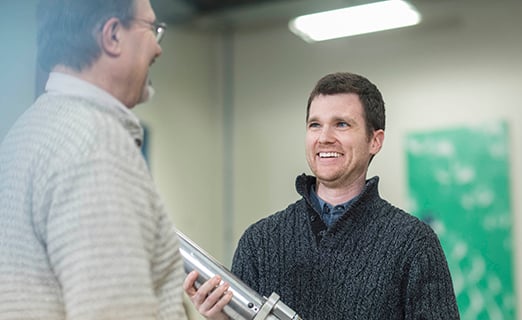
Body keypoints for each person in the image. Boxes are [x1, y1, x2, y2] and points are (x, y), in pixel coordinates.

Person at [184, 72, 460, 319]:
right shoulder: (260, 241)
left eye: (341, 124)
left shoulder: (413, 244)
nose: (324, 137)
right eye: (315, 125)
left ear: (375, 141)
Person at [0, 0, 187, 319]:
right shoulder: (96, 143)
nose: (158, 49)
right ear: (113, 35)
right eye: (151, 30)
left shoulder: (27, 130)